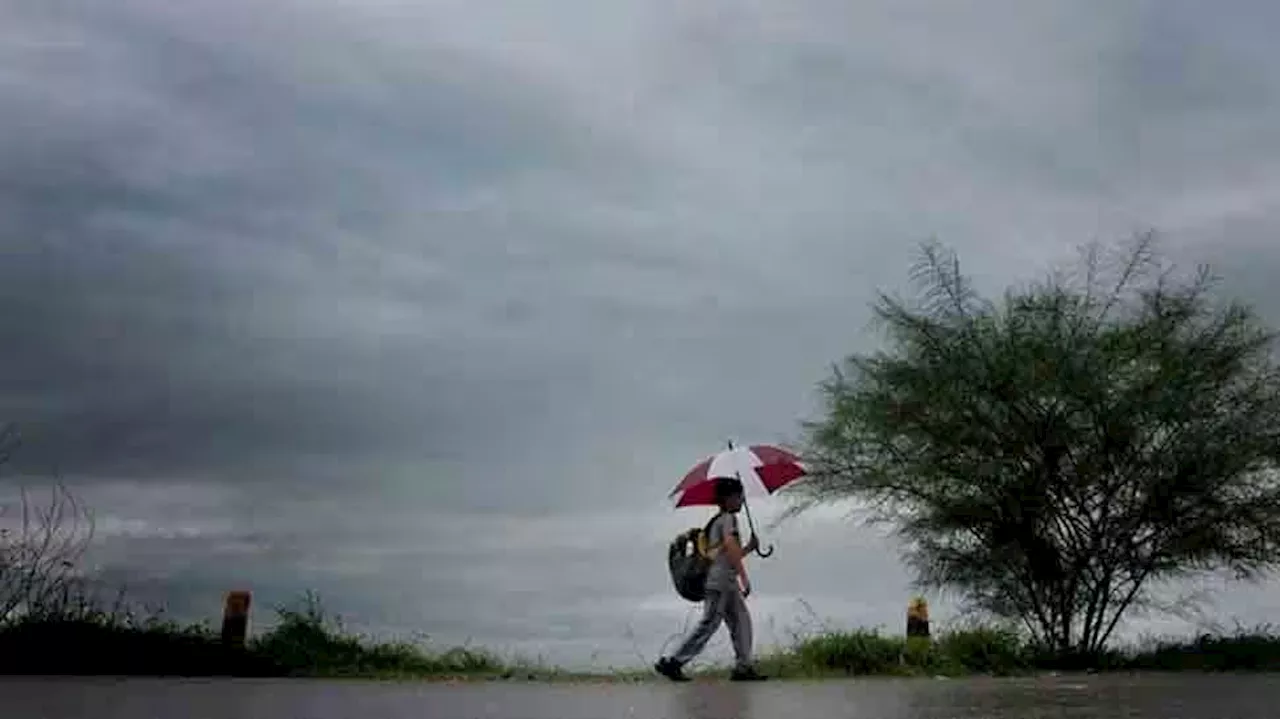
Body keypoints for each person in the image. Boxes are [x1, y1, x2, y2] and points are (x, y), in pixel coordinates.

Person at [655, 476, 766, 682]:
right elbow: (731, 550)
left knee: (741, 622)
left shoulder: (718, 521)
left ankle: (743, 667)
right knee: (709, 623)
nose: (742, 500)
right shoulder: (728, 520)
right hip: (720, 583)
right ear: (729, 497)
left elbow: (726, 554)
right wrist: (744, 577)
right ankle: (673, 662)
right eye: (740, 496)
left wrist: (749, 548)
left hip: (725, 582)